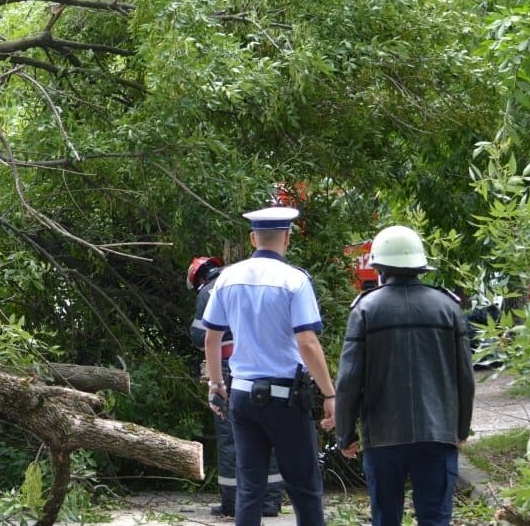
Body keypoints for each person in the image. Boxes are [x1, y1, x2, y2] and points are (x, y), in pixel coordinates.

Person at [202, 207, 336, 526]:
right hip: (284, 398)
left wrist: (217, 384)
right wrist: (329, 394)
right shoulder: (294, 281)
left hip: (243, 397)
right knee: (304, 485)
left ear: (253, 238)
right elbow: (307, 341)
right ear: (287, 238)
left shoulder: (227, 278)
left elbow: (212, 338)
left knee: (249, 487)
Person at [334, 225, 475, 526]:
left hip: (383, 438)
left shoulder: (365, 310)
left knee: (386, 519)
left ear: (379, 267)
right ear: (420, 266)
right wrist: (461, 429)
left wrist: (345, 434)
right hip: (437, 433)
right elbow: (465, 377)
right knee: (435, 518)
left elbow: (349, 381)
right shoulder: (448, 308)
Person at [187, 256, 284, 517]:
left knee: (230, 435)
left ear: (199, 279)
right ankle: (271, 501)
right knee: (269, 433)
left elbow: (200, 336)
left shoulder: (210, 291)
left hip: (230, 369)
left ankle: (231, 502)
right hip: (265, 368)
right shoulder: (251, 284)